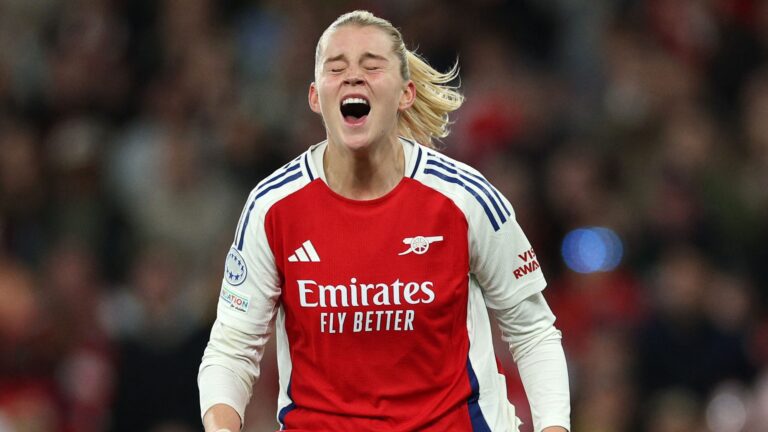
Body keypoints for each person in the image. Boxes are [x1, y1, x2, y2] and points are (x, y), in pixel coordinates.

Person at [198, 10, 570, 432]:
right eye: (336, 68)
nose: (353, 77)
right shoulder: (272, 207)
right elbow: (232, 348)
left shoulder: (464, 198)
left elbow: (533, 331)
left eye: (372, 66)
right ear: (315, 97)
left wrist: (554, 427)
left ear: (405, 93)